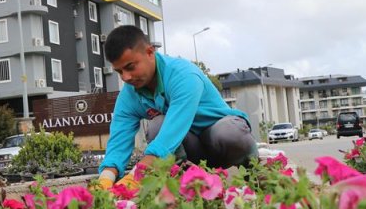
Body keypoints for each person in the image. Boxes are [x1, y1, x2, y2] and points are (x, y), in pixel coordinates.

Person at [98, 25, 257, 189]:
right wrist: (105, 179)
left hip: (220, 141)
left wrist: (135, 177)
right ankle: (189, 187)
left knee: (227, 132)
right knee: (157, 125)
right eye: (119, 72)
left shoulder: (183, 75)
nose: (126, 77)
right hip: (192, 149)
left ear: (150, 52)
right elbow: (119, 140)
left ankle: (256, 173)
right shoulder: (130, 95)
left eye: (130, 67)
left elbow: (170, 133)